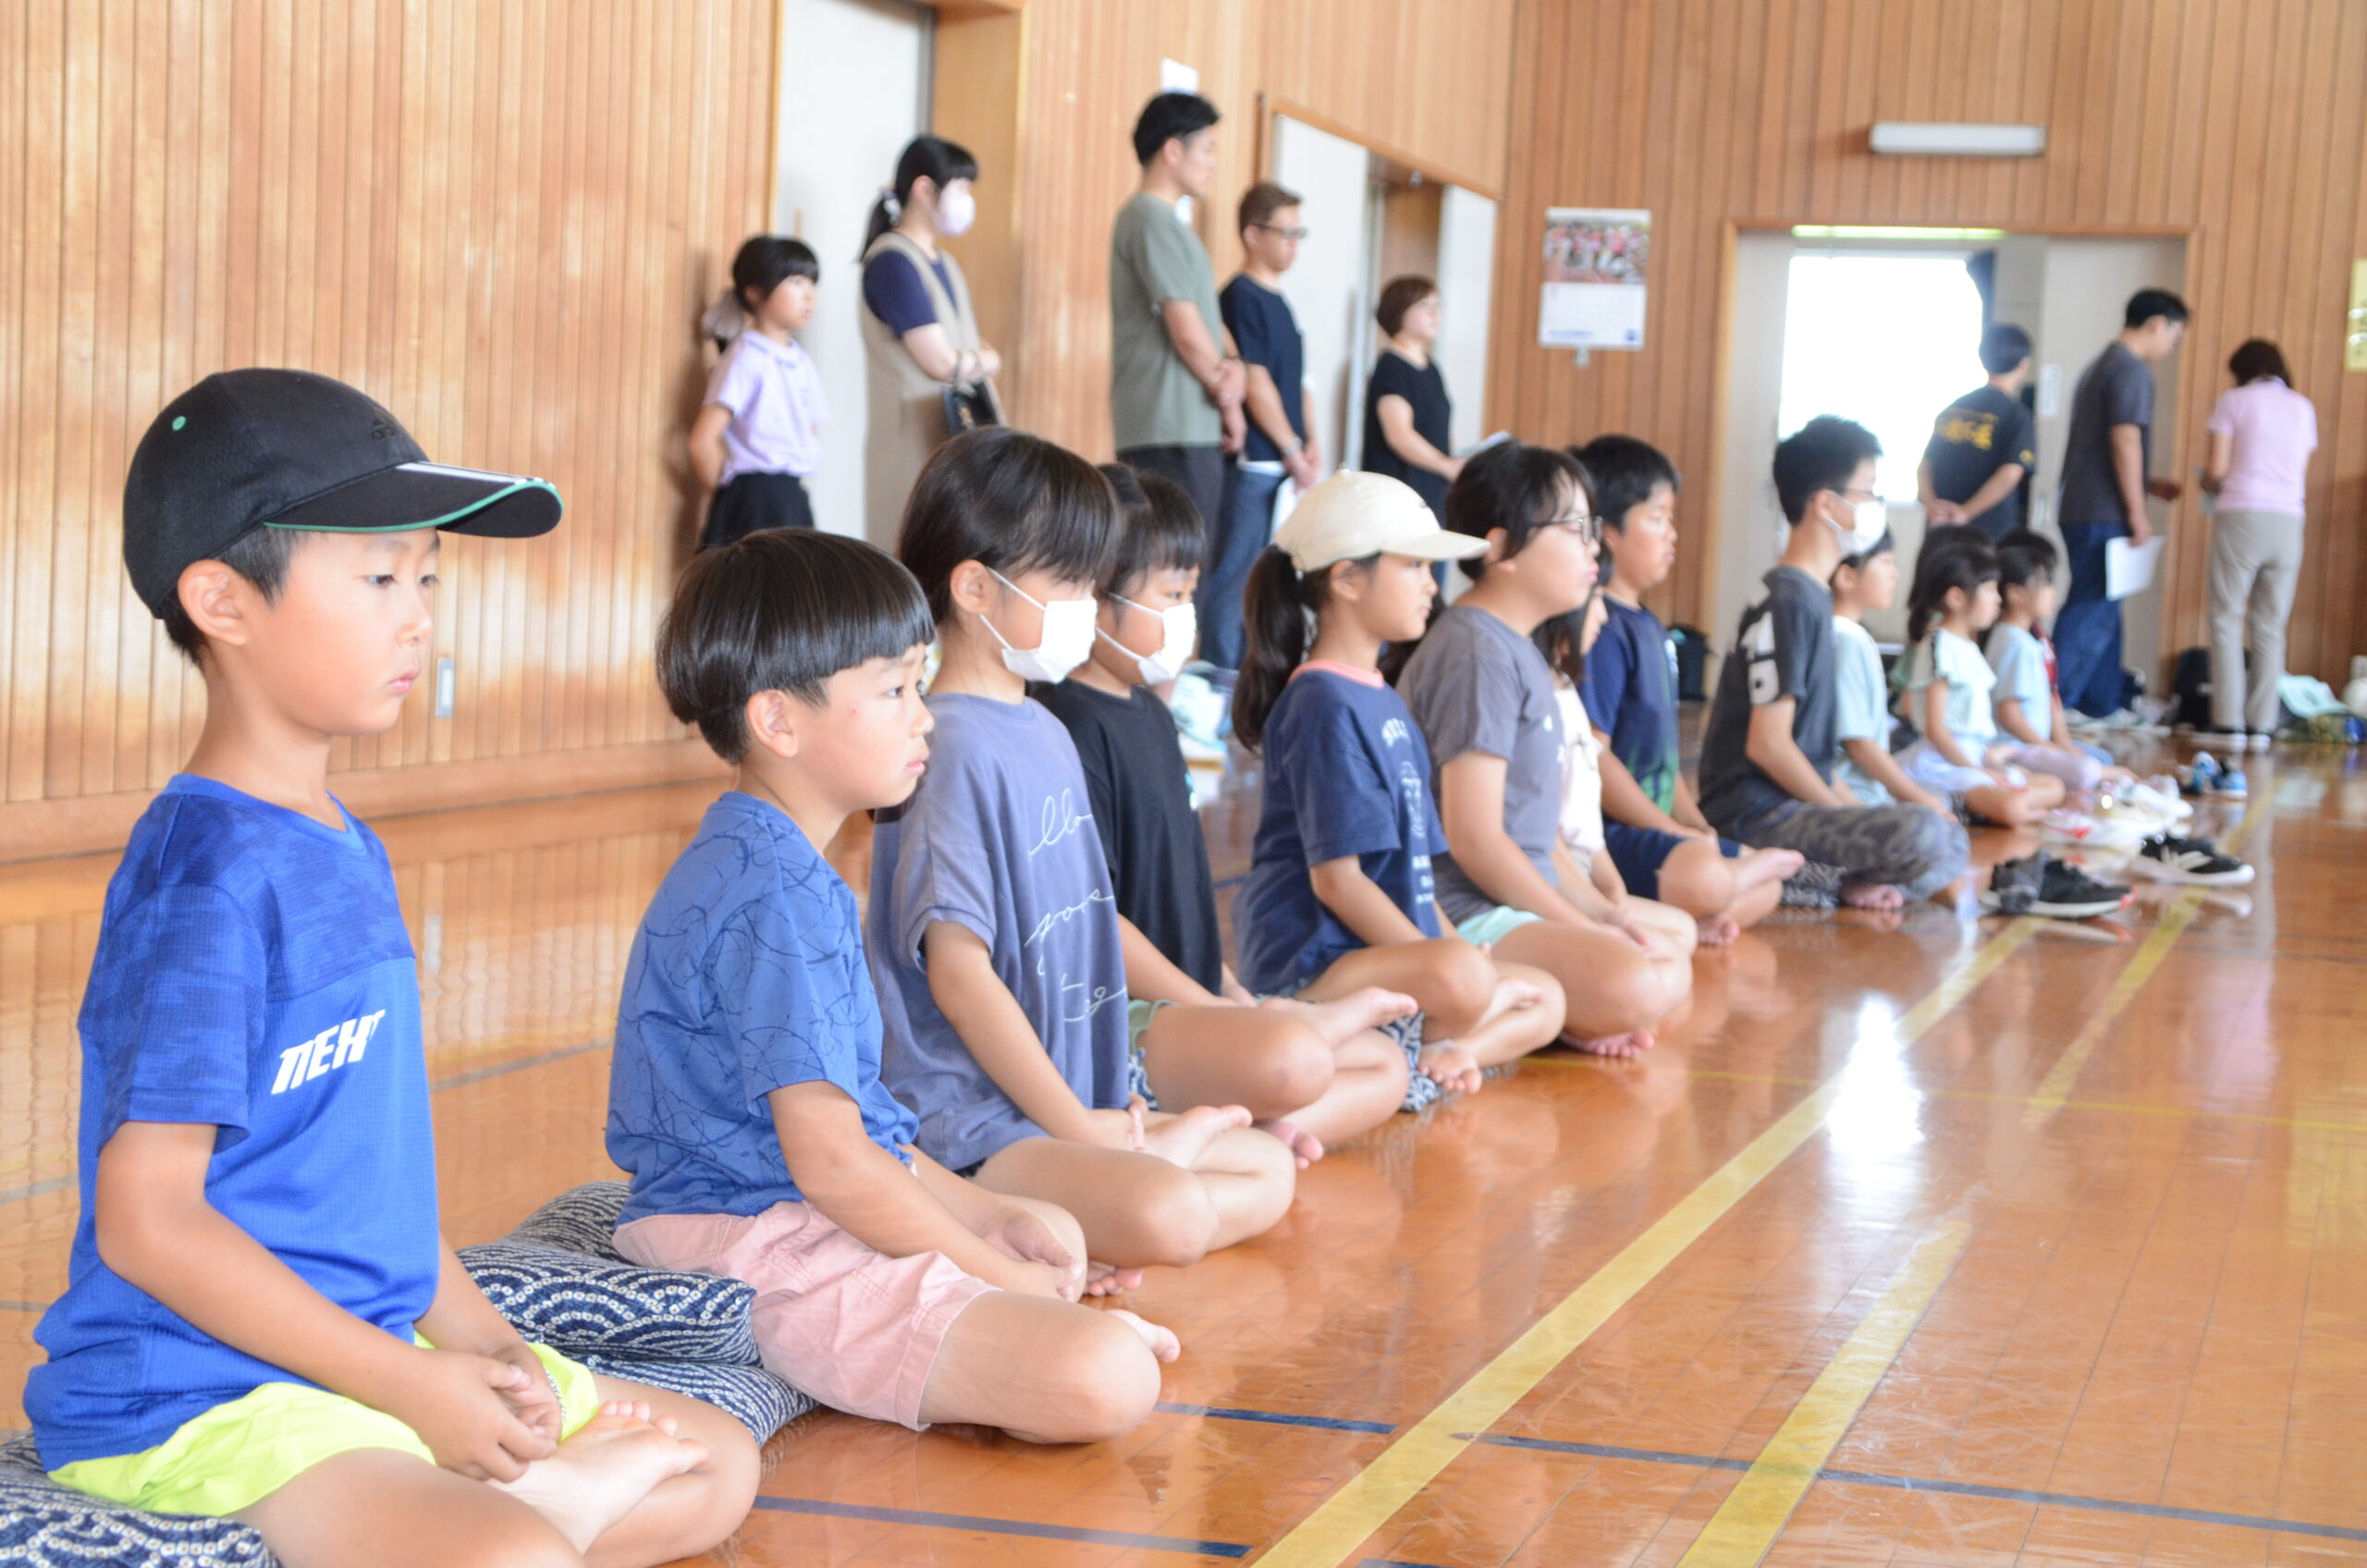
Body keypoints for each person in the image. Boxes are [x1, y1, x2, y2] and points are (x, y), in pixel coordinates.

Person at [28, 369, 756, 1567]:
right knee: (509, 1553)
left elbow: (380, 1203)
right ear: (221, 599)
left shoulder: (345, 847)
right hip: (200, 1394)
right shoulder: (200, 878)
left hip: (367, 1353)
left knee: (715, 1464)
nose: (418, 615)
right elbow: (149, 1222)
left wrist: (486, 1353)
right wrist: (407, 1392)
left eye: (427, 577)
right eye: (377, 579)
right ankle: (538, 1521)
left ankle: (536, 1511)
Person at [607, 529, 1173, 1444]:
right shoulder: (775, 894)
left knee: (1051, 1233)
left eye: (919, 683)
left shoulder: (777, 862)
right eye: (895, 689)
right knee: (1102, 1377)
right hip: (740, 1236)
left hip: (789, 1206)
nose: (926, 715)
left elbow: (862, 1135)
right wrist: (996, 1277)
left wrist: (988, 1215)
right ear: (779, 722)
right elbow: (833, 1165)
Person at [869, 428, 1296, 1282]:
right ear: (975, 588)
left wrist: (1100, 1113)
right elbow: (960, 975)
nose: (1086, 602)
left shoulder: (1045, 730)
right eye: (1067, 581)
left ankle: (1070, 1226)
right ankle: (1041, 1219)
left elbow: (1092, 925)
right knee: (1171, 1215)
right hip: (973, 1124)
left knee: (1270, 1170)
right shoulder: (945, 744)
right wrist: (1073, 1125)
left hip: (1068, 1104)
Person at [1034, 467, 1415, 1164]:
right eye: (1171, 595)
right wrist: (1211, 1012)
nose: (1187, 613)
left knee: (1385, 1067)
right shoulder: (1068, 725)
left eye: (1189, 593)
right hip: (1128, 1017)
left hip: (1193, 1004)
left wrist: (1230, 994)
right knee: (1294, 1059)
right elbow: (1097, 922)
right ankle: (1248, 1103)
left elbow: (1184, 903)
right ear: (1093, 597)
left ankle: (1237, 1120)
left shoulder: (1148, 710)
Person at [1231, 472, 1567, 1096]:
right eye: (1413, 566)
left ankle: (1433, 1049)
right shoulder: (1321, 701)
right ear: (1348, 579)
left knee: (1545, 995)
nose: (1430, 587)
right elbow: (1338, 881)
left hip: (1394, 961)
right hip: (1317, 966)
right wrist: (1447, 964)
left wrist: (1451, 950)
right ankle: (1395, 1038)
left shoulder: (1384, 699)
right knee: (1469, 979)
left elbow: (1413, 871)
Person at [1394, 443, 1692, 1059]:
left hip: (1513, 899)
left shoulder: (1518, 648)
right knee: (1640, 978)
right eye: (1576, 529)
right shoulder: (1476, 652)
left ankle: (1554, 1004)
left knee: (1667, 949)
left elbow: (1538, 833)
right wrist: (1578, 926)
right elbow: (1475, 838)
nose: (1595, 547)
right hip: (1467, 912)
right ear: (1501, 548)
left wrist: (1600, 911)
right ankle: (1530, 1003)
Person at [1696, 416, 1970, 911]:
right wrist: (1851, 817)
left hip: (1795, 805)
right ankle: (1812, 879)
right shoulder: (1790, 600)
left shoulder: (1809, 597)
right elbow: (1768, 746)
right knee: (1926, 834)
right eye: (1868, 492)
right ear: (1826, 503)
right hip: (1757, 814)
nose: (1876, 507)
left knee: (1947, 835)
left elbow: (1815, 760)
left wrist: (1856, 813)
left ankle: (1830, 880)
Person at [1573, 435, 1798, 941]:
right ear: (1608, 531)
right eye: (1657, 518)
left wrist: (1695, 825)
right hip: (1613, 837)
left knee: (1767, 885)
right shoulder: (1603, 628)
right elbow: (1596, 758)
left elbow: (1663, 760)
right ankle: (1684, 918)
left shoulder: (1652, 627)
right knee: (1712, 876)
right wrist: (1668, 831)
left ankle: (1680, 928)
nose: (1671, 534)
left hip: (1657, 833)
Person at [1535, 591, 1715, 966]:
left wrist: (1613, 889)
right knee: (1661, 956)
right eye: (1594, 601)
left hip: (1589, 865)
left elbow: (1586, 823)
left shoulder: (1566, 689)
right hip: (1559, 872)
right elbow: (1544, 833)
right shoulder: (1536, 693)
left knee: (1682, 933)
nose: (1602, 615)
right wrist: (1600, 909)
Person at [859, 135, 1003, 546]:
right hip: (910, 442)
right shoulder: (892, 262)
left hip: (953, 439)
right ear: (925, 189)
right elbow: (941, 362)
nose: (966, 200)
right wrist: (988, 361)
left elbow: (967, 351)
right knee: (908, 557)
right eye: (960, 188)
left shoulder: (947, 264)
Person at [1110, 92, 1244, 535]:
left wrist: (1234, 368)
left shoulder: (1169, 224)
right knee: (1172, 566)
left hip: (1187, 425)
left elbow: (1207, 320)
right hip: (1168, 428)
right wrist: (1227, 392)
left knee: (1186, 567)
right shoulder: (1148, 217)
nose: (1212, 162)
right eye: (1206, 149)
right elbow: (1185, 329)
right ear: (1172, 150)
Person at [2053, 288, 2188, 720]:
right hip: (2102, 511)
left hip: (2083, 504)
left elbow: (2105, 449)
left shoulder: (2102, 364)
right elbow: (2124, 440)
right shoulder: (2131, 370)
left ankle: (2099, 704)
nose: (2170, 347)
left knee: (2105, 607)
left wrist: (2147, 485)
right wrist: (2137, 512)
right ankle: (2056, 704)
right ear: (2156, 324)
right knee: (2093, 608)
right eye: (2174, 336)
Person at [1206, 181, 1320, 675]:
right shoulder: (1239, 297)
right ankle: (1217, 676)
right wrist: (1292, 449)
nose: (1293, 242)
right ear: (1253, 234)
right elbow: (1256, 381)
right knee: (1233, 575)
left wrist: (1312, 443)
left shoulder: (1282, 302)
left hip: (1287, 462)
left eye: (1300, 232)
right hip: (1257, 460)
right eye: (1284, 231)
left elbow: (1300, 385)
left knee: (1266, 579)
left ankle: (1248, 677)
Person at [1896, 535, 2067, 828]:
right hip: (1945, 760)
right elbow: (1937, 731)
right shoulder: (1939, 644)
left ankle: (1983, 806)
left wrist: (1993, 764)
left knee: (2055, 785)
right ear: (1957, 598)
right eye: (1989, 590)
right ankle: (1964, 804)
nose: (1997, 599)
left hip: (1974, 756)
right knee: (2013, 807)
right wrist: (1978, 770)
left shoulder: (1969, 646)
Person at [2200, 337, 2316, 750]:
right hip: (2289, 520)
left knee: (2227, 619)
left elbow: (2217, 469)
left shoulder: (2233, 401)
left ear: (2242, 371)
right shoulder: (2303, 408)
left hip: (2242, 515)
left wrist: (2205, 483)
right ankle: (2262, 726)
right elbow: (2296, 468)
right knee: (2270, 626)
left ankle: (2229, 723)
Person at [691, 236, 828, 547]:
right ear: (755, 293)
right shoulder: (745, 356)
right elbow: (701, 442)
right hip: (752, 497)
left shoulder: (801, 360)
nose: (808, 295)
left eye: (811, 284)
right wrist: (726, 499)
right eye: (796, 282)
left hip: (792, 495)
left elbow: (809, 430)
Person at [1986, 530, 2111, 793]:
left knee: (2098, 759)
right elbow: (2009, 714)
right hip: (2016, 748)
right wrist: (2050, 749)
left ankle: (2100, 774)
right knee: (2086, 769)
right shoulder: (2013, 643)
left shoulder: (2026, 640)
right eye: (2044, 584)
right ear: (2016, 594)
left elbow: (2049, 697)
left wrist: (2062, 748)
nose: (2052, 592)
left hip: (2032, 745)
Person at [1828, 531, 1944, 811]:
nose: (1896, 574)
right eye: (1886, 562)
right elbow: (1858, 745)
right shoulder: (1845, 639)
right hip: (1856, 797)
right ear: (1847, 577)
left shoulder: (1848, 635)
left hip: (1870, 794)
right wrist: (1922, 800)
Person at [1918, 322, 2037, 545]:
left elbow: (1925, 466)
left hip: (1940, 532)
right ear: (2023, 364)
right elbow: (2010, 474)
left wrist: (1933, 507)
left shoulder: (1953, 409)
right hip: (1987, 535)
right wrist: (1964, 513)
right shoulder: (2017, 415)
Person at [1361, 276, 1459, 524]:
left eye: (1438, 305)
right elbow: (1399, 435)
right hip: (1401, 492)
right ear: (1400, 311)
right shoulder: (1391, 367)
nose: (1435, 313)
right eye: (1425, 305)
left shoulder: (1432, 367)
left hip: (1432, 489)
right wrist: (1445, 465)